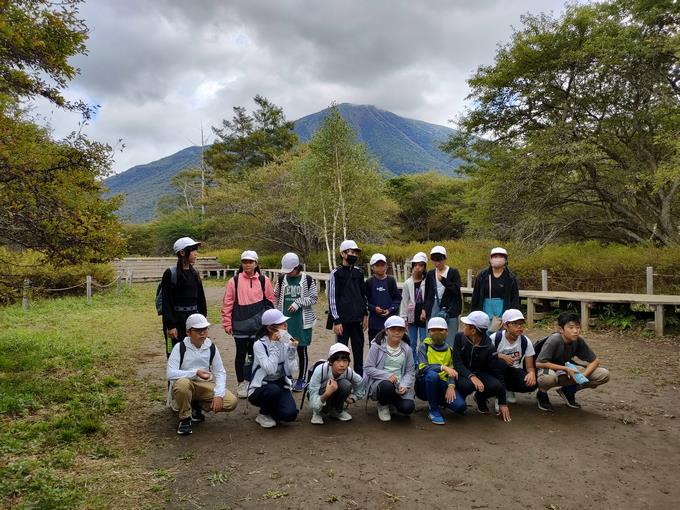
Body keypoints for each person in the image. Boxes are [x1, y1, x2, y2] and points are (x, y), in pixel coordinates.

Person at [167, 314, 237, 435]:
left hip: (204, 386)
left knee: (231, 402)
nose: (202, 333)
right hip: (186, 384)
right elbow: (170, 373)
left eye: (205, 329)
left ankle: (196, 405)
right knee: (183, 383)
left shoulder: (211, 347)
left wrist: (219, 395)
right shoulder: (180, 347)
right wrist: (195, 372)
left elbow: (220, 372)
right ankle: (185, 418)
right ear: (189, 332)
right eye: (198, 330)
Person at [221, 250, 275, 399]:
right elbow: (228, 303)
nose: (247, 264)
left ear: (256, 263)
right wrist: (227, 322)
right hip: (240, 324)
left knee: (257, 354)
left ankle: (256, 380)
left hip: (259, 326)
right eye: (245, 261)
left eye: (250, 261)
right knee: (241, 354)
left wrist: (270, 323)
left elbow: (270, 301)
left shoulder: (264, 280)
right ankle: (241, 383)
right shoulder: (234, 281)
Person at [535, 311, 610, 412]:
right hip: (547, 369)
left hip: (566, 369)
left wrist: (582, 377)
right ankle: (542, 394)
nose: (575, 331)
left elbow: (595, 361)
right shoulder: (554, 340)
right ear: (561, 329)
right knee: (547, 379)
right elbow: (539, 362)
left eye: (578, 327)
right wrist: (565, 368)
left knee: (603, 374)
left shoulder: (578, 340)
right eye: (571, 327)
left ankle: (568, 391)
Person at [453, 311, 512, 422]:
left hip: (480, 373)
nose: (463, 327)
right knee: (467, 385)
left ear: (473, 330)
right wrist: (471, 376)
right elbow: (457, 363)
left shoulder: (489, 347)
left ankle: (480, 398)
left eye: (466, 325)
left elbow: (497, 372)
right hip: (462, 373)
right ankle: (461, 397)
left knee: (496, 385)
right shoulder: (459, 338)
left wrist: (503, 402)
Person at [274, 252, 318, 392]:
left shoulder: (309, 280)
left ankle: (301, 378)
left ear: (297, 267)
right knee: (284, 351)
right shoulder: (281, 279)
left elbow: (313, 298)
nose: (289, 273)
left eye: (291, 270)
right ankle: (287, 377)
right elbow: (276, 296)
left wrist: (298, 302)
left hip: (302, 322)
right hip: (284, 322)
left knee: (301, 349)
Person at [247, 309, 299, 428]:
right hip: (261, 387)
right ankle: (263, 414)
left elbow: (292, 370)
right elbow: (270, 369)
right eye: (282, 324)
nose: (286, 326)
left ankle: (273, 408)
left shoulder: (286, 341)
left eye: (285, 323)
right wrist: (275, 344)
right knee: (273, 390)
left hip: (280, 383)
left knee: (289, 415)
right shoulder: (259, 345)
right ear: (270, 328)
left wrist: (292, 350)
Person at [363, 316, 416, 422]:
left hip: (399, 385)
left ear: (404, 331)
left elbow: (410, 371)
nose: (397, 332)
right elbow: (368, 368)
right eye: (393, 329)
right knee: (387, 386)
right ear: (386, 331)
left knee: (408, 408)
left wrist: (405, 385)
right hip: (381, 383)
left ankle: (391, 402)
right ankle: (383, 405)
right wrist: (386, 376)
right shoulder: (377, 346)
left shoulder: (407, 349)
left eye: (400, 330)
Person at [161, 237, 207, 357]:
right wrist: (171, 326)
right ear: (182, 252)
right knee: (176, 352)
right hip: (177, 321)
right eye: (193, 250)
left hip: (193, 320)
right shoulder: (170, 274)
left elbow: (201, 299)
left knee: (194, 352)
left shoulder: (195, 273)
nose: (196, 254)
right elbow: (166, 302)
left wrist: (202, 319)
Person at [327, 239, 369, 375]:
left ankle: (359, 380)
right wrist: (336, 320)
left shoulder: (359, 272)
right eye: (351, 252)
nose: (354, 255)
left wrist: (365, 314)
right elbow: (332, 298)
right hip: (342, 321)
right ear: (343, 254)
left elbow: (363, 295)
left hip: (357, 320)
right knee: (341, 353)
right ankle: (342, 379)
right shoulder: (336, 273)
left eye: (356, 252)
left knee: (359, 351)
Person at [415, 317, 466, 425]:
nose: (437, 333)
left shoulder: (449, 349)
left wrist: (451, 386)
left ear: (447, 332)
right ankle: (433, 410)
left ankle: (438, 400)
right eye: (433, 330)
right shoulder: (424, 347)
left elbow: (452, 370)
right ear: (428, 332)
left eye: (440, 330)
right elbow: (422, 368)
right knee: (433, 376)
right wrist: (442, 367)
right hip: (425, 383)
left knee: (460, 406)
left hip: (443, 384)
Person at [308, 343, 366, 424]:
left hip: (333, 393)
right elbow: (312, 400)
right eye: (338, 361)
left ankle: (336, 410)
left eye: (345, 361)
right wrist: (327, 393)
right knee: (327, 386)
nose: (342, 365)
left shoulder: (348, 371)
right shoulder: (320, 371)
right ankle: (317, 413)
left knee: (346, 384)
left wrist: (353, 398)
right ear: (331, 362)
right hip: (320, 395)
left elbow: (360, 383)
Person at [490, 309, 537, 409]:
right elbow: (485, 356)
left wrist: (531, 374)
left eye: (521, 324)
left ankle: (508, 389)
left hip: (514, 370)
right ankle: (499, 396)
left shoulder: (525, 341)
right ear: (505, 325)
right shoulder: (495, 338)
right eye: (515, 324)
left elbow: (529, 366)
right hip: (495, 372)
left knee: (531, 384)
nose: (519, 327)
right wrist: (500, 356)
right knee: (501, 363)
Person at [471, 247, 520, 331]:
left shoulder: (510, 277)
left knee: (500, 337)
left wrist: (513, 317)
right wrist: (474, 313)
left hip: (503, 311)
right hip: (485, 310)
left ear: (505, 260)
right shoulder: (482, 276)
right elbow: (476, 295)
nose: (497, 259)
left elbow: (514, 298)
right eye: (495, 256)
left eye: (501, 257)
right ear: (490, 259)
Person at [424, 245, 462, 347]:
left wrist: (444, 281)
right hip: (433, 306)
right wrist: (425, 309)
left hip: (449, 308)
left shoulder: (453, 272)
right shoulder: (430, 274)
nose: (437, 263)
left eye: (439, 260)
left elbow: (456, 291)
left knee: (450, 337)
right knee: (432, 336)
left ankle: (449, 360)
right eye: (434, 260)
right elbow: (427, 293)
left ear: (445, 258)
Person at [365, 253, 402, 342]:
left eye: (383, 265)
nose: (381, 267)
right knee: (374, 347)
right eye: (377, 265)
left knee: (391, 347)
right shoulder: (369, 282)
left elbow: (397, 299)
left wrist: (390, 309)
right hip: (374, 323)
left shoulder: (391, 280)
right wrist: (374, 308)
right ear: (372, 267)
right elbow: (365, 301)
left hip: (390, 322)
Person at [400, 251, 428, 362]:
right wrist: (404, 317)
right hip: (412, 315)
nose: (418, 267)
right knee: (412, 341)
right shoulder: (408, 283)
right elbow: (404, 300)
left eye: (420, 265)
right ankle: (413, 362)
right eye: (415, 265)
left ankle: (423, 362)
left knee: (424, 340)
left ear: (424, 267)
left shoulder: (427, 281)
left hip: (423, 315)